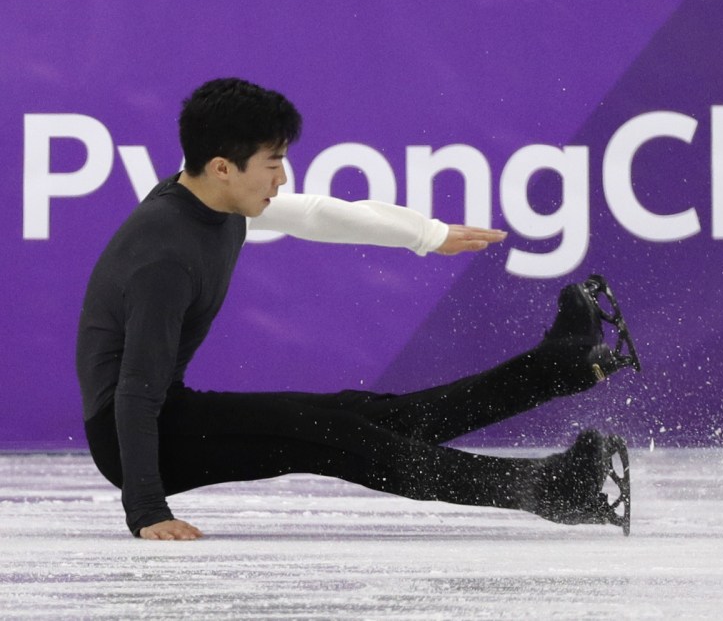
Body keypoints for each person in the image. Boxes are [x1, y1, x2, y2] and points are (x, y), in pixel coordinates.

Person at [76, 78, 637, 541]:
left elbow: (316, 214)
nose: (283, 177)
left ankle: (555, 368)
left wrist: (428, 234)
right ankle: (554, 488)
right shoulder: (165, 257)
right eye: (272, 164)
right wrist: (147, 509)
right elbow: (136, 391)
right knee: (341, 439)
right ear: (223, 166)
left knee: (364, 416)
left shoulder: (213, 201)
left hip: (163, 413)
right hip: (136, 436)